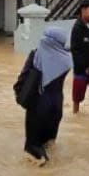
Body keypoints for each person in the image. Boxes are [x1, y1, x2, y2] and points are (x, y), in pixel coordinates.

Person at [17, 26, 72, 165]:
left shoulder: (36, 55)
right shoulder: (67, 59)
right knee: (50, 144)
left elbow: (23, 78)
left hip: (39, 105)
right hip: (57, 106)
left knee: (32, 147)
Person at [70, 0, 89, 114]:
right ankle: (75, 114)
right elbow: (75, 50)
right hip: (81, 69)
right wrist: (84, 66)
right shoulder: (77, 28)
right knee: (77, 97)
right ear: (83, 10)